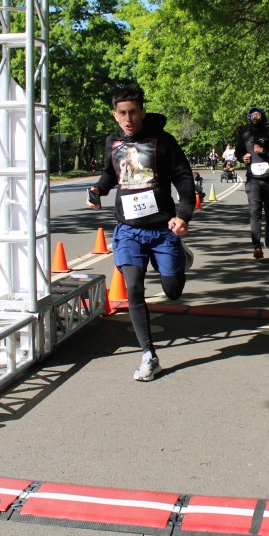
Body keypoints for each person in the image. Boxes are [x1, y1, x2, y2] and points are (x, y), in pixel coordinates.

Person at [87, 83, 195, 382]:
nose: (128, 118)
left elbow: (183, 178)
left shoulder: (164, 141)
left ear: (143, 112)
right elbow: (111, 173)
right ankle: (149, 355)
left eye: (133, 112)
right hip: (129, 229)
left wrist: (183, 216)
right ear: (115, 115)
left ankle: (179, 258)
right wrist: (98, 189)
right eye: (122, 113)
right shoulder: (113, 143)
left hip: (162, 230)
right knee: (133, 287)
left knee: (173, 291)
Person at [236, 106, 269, 259]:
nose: (255, 116)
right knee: (255, 212)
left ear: (263, 116)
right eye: (252, 114)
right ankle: (257, 246)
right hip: (252, 180)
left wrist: (264, 151)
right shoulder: (245, 135)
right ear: (248, 118)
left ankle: (268, 233)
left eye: (257, 114)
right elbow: (238, 152)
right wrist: (243, 158)